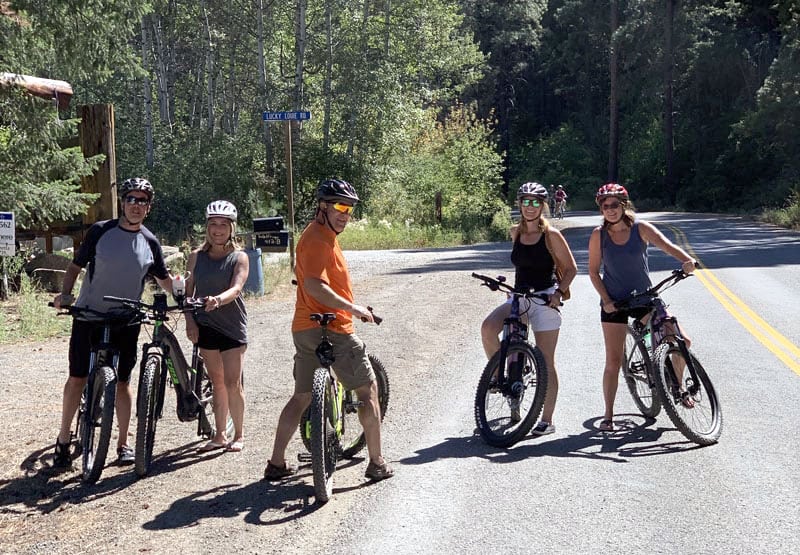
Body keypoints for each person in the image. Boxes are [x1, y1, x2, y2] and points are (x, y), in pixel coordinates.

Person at [264, 178, 393, 482]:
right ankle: (376, 462)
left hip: (305, 327)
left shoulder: (319, 236)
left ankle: (276, 463)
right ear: (322, 207)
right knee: (367, 390)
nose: (345, 213)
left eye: (348, 208)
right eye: (339, 206)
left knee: (302, 397)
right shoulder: (319, 238)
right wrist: (354, 308)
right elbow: (315, 286)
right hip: (334, 326)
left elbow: (310, 281)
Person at [52, 177, 173, 467]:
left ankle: (123, 443)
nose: (136, 205)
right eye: (131, 199)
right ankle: (63, 440)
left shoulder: (150, 241)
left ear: (149, 207)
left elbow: (165, 280)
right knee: (78, 378)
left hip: (125, 320)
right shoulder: (100, 232)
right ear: (122, 202)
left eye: (142, 201)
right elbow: (74, 267)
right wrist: (65, 295)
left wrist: (186, 297)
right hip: (89, 315)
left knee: (122, 382)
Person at [587, 183, 697, 432]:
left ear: (623, 205)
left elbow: (667, 245)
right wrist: (606, 300)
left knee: (681, 341)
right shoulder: (599, 235)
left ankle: (678, 388)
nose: (610, 210)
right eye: (605, 206)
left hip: (645, 298)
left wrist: (686, 260)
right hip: (614, 303)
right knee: (613, 361)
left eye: (614, 205)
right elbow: (593, 272)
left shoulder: (641, 229)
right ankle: (608, 415)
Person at [480, 182, 577, 436]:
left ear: (543, 206)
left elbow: (571, 269)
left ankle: (547, 419)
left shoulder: (551, 235)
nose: (530, 206)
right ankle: (498, 374)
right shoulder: (515, 232)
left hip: (545, 300)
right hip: (520, 298)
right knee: (489, 328)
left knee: (546, 360)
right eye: (525, 201)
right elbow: (521, 266)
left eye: (535, 202)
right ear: (519, 204)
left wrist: (558, 293)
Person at [185, 200, 249, 453]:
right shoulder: (195, 257)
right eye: (213, 224)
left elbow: (237, 287)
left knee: (234, 382)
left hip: (232, 325)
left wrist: (218, 300)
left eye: (223, 225)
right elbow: (188, 293)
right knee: (217, 381)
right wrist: (190, 321)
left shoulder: (239, 257)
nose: (218, 229)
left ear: (232, 228)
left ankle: (240, 435)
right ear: (207, 227)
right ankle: (220, 434)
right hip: (206, 324)